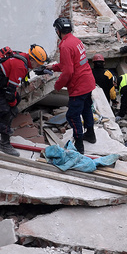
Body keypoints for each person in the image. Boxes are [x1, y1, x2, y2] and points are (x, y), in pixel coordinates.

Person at [47, 17, 96, 154]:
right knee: (86, 109)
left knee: (72, 115)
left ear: (58, 30)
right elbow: (69, 64)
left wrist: (57, 85)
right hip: (88, 81)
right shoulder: (75, 40)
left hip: (78, 85)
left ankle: (79, 145)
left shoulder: (65, 46)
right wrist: (53, 67)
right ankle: (90, 134)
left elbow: (68, 71)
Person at [0, 45, 48, 156]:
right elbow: (10, 92)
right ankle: (4, 143)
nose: (37, 66)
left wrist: (14, 103)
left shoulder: (25, 58)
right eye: (37, 64)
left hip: (1, 84)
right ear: (32, 59)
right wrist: (12, 105)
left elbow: (21, 80)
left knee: (15, 102)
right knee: (6, 111)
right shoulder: (20, 66)